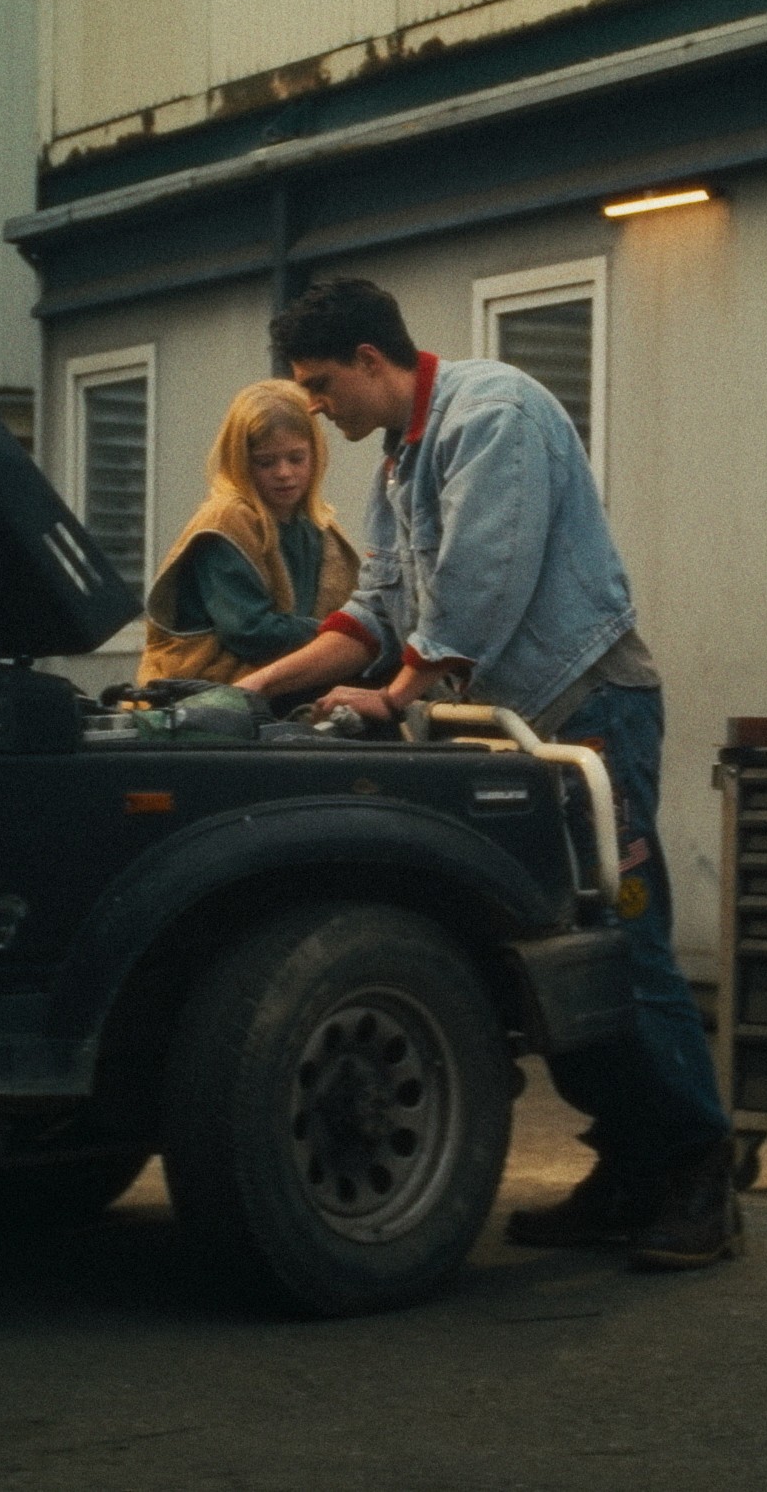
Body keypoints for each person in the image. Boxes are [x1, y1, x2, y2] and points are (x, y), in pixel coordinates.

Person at [231, 276, 738, 1271]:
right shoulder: (399, 461)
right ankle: (631, 1167)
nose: (315, 408)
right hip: (510, 727)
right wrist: (252, 691)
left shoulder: (492, 413)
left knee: (622, 941)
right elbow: (376, 608)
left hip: (587, 712)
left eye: (322, 384)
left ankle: (697, 1171)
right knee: (553, 951)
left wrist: (397, 694)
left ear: (372, 359)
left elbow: (476, 590)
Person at [139, 380, 361, 685]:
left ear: (316, 454)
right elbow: (249, 632)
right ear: (240, 460)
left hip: (287, 679)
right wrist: (341, 635)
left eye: (296, 458)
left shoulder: (319, 529)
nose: (284, 473)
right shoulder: (226, 523)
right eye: (265, 462)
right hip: (211, 689)